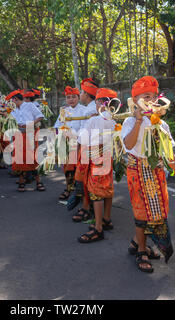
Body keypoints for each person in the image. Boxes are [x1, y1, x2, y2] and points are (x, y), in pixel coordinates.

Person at [121, 76, 175, 273]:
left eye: (153, 96)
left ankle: (136, 242)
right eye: (146, 96)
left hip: (157, 173)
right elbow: (129, 144)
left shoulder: (162, 125)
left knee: (157, 213)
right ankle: (141, 250)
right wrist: (139, 121)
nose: (151, 100)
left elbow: (169, 155)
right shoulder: (130, 121)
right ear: (136, 100)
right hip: (137, 172)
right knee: (141, 213)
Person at [77, 88, 117, 243]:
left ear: (100, 103)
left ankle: (98, 227)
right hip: (108, 156)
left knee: (96, 192)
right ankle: (106, 219)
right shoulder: (113, 121)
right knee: (107, 188)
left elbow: (82, 141)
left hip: (95, 156)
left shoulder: (93, 120)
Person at [70, 78, 99, 222]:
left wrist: (80, 147)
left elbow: (86, 132)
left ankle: (87, 207)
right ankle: (88, 205)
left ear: (87, 95)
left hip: (90, 148)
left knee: (87, 177)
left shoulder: (93, 109)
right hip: (86, 146)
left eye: (81, 92)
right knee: (85, 177)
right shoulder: (90, 108)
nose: (80, 94)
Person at [6, 90, 46, 192]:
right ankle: (22, 181)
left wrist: (31, 124)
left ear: (15, 99)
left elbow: (40, 116)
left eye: (11, 101)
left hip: (30, 133)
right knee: (20, 158)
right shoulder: (12, 109)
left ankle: (38, 182)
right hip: (18, 134)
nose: (11, 103)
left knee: (32, 157)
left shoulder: (29, 105)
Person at [54, 86, 87, 201]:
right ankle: (68, 188)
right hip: (66, 143)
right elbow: (57, 126)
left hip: (78, 143)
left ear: (78, 97)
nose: (71, 99)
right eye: (68, 97)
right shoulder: (64, 111)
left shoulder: (84, 110)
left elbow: (84, 128)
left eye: (74, 97)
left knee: (78, 168)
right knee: (66, 168)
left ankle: (79, 190)